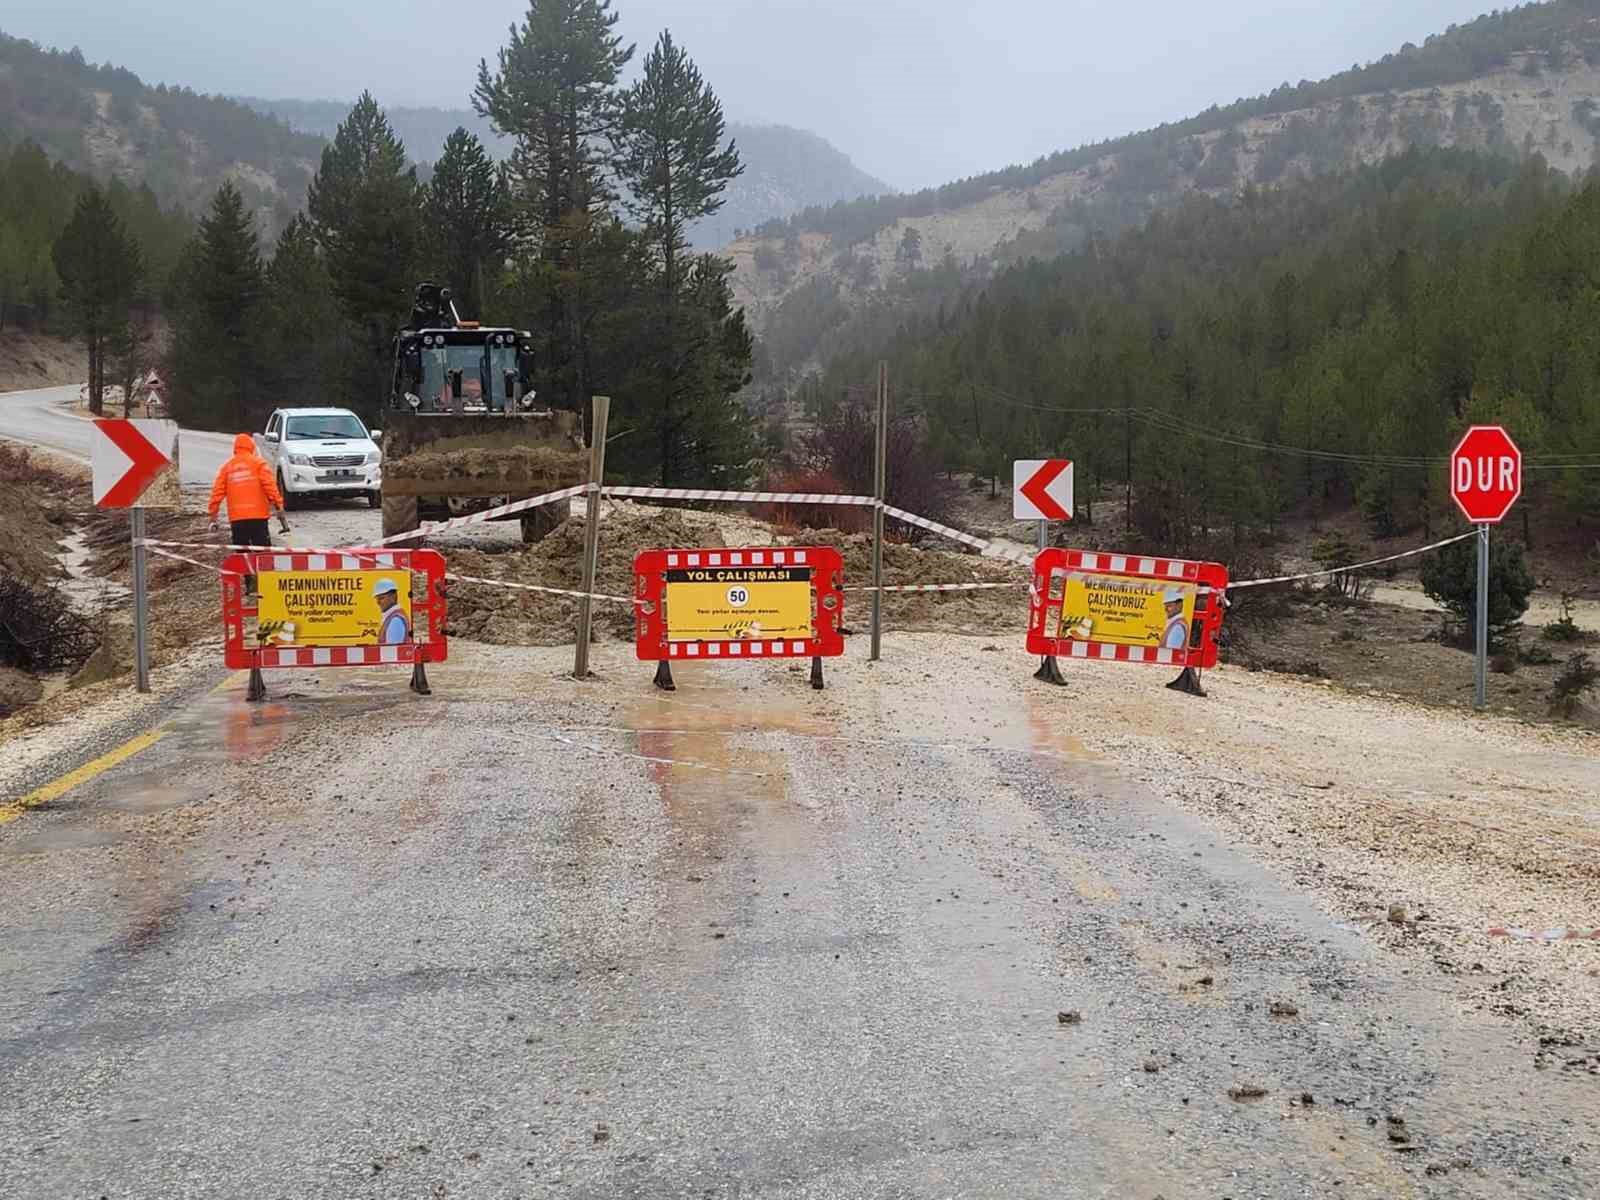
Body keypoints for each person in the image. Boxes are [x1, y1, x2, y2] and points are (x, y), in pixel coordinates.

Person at [208, 434, 290, 548]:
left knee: (242, 556)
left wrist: (213, 516)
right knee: (262, 555)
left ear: (235, 448)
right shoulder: (259, 464)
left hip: (237, 519)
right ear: (251, 447)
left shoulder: (227, 468)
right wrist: (279, 506)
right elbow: (270, 487)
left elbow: (216, 494)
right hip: (258, 518)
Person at [1161, 586, 1205, 696]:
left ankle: (1190, 677)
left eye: (1169, 606)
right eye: (1165, 606)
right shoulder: (1174, 622)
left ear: (1179, 605)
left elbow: (1172, 648)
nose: (1166, 609)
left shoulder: (1178, 626)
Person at [373, 578, 411, 645]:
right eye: (377, 599)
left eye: (381, 598)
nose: (378, 602)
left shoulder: (396, 620)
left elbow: (392, 650)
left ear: (393, 597)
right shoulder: (391, 617)